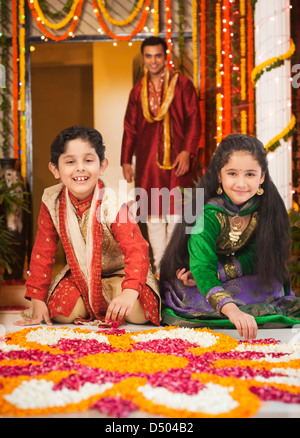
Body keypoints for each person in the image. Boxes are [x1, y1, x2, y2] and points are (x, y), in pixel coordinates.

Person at [15, 126, 160, 328]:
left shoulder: (113, 201)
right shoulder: (52, 201)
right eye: (70, 161)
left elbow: (137, 249)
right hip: (80, 275)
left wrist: (129, 292)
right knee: (61, 313)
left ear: (102, 166)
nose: (80, 168)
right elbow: (43, 252)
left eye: (88, 160)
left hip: (121, 275)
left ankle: (110, 298)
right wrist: (38, 299)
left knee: (139, 313)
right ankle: (97, 301)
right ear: (55, 169)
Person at [160, 133, 300, 340]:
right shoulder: (207, 215)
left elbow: (259, 256)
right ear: (219, 175)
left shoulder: (266, 210)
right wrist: (233, 311)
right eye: (232, 173)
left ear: (262, 177)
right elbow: (201, 268)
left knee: (272, 284)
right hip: (199, 279)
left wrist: (223, 272)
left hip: (236, 273)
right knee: (191, 294)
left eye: (250, 175)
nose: (241, 183)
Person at [121, 36, 201, 273]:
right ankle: (159, 268)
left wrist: (187, 151)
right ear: (143, 58)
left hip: (178, 160)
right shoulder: (137, 91)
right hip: (148, 162)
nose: (153, 61)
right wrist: (126, 159)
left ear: (165, 56)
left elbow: (193, 120)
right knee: (153, 214)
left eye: (158, 55)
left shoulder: (183, 85)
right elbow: (130, 126)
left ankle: (172, 266)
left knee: (177, 213)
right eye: (148, 56)